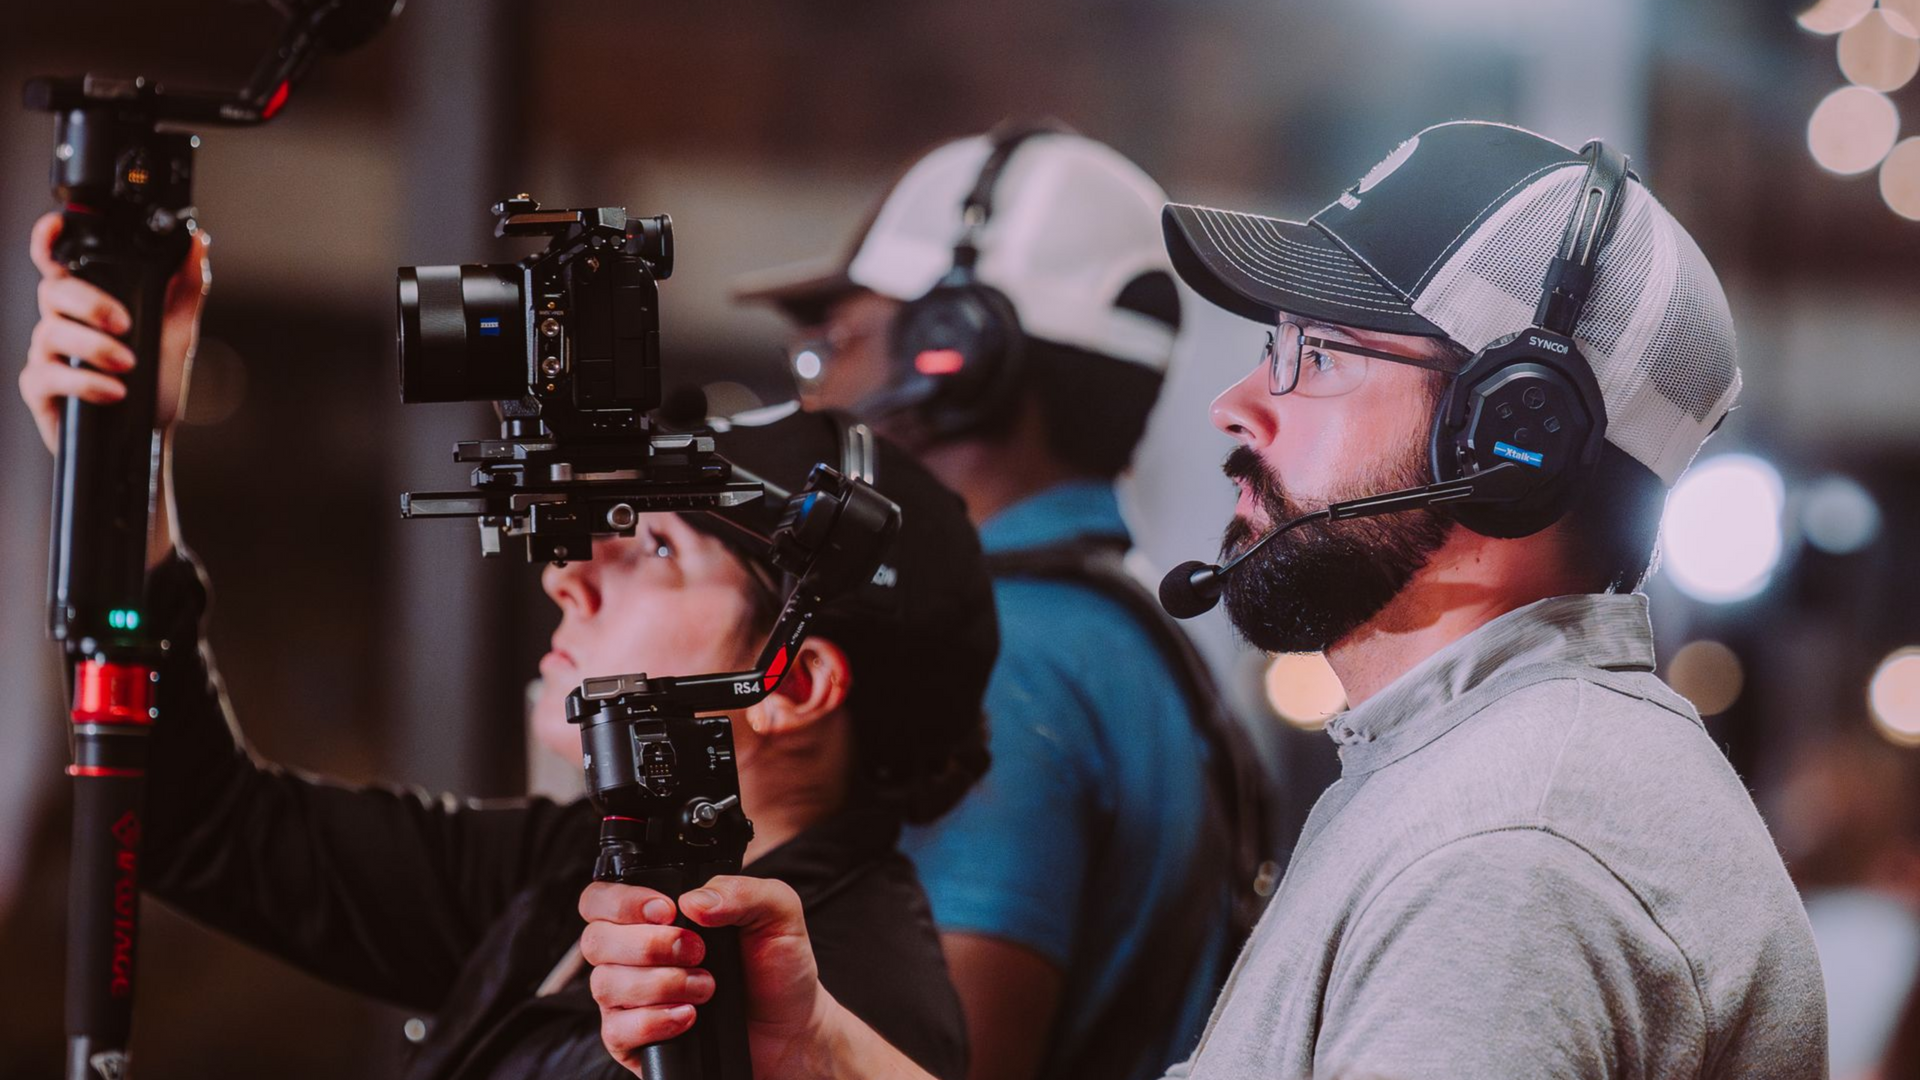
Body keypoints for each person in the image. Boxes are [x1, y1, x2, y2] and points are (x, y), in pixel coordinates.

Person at [577, 121, 1829, 1078]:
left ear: (1513, 437)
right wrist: (826, 1055)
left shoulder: (1507, 863)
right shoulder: (1455, 781)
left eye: (1317, 354)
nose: (1241, 403)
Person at [18, 211, 1000, 1080]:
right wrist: (124, 458)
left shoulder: (834, 1006)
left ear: (793, 682)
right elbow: (205, 825)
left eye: (656, 544)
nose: (565, 576)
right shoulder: (578, 865)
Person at [734, 124, 1267, 1080]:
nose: (812, 392)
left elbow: (938, 1061)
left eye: (833, 344)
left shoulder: (1004, 658)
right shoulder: (1113, 626)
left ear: (957, 351)